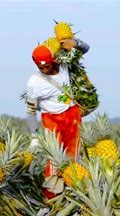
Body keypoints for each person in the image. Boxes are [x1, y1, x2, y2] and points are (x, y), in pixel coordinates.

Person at [26, 38, 89, 199]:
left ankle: (75, 191)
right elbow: (31, 111)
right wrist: (34, 135)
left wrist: (74, 42)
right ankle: (52, 194)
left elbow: (86, 49)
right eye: (41, 67)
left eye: (47, 65)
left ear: (53, 60)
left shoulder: (63, 64)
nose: (45, 69)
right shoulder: (34, 82)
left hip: (71, 114)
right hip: (51, 119)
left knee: (74, 154)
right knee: (54, 158)